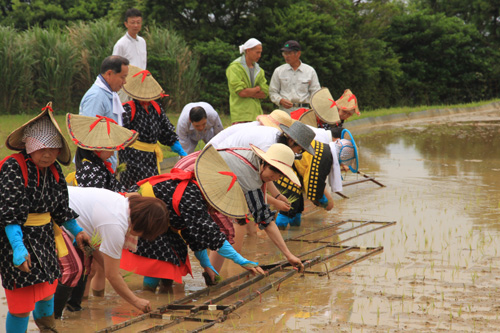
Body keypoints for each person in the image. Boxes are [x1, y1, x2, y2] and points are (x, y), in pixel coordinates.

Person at [120, 145, 265, 289]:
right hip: (142, 217)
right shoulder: (191, 196)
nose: (215, 211)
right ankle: (148, 296)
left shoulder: (196, 195)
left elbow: (194, 235)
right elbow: (212, 235)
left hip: (162, 222)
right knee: (161, 260)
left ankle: (164, 295)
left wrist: (206, 265)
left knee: (176, 256)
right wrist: (242, 261)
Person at [0, 103, 90, 333]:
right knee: (20, 303)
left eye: (53, 148)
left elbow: (61, 209)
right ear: (29, 146)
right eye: (41, 148)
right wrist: (19, 248)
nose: (47, 154)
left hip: (45, 238)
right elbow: (9, 213)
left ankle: (47, 329)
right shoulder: (13, 167)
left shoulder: (55, 171)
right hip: (15, 239)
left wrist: (78, 231)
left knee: (47, 292)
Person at [53, 186, 170, 317]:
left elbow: (91, 248)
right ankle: (53, 318)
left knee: (85, 263)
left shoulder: (123, 204)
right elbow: (112, 276)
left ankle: (73, 311)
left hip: (64, 205)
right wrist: (136, 301)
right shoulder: (116, 225)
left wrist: (111, 269)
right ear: (143, 225)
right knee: (73, 269)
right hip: (54, 211)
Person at [119, 65, 187, 189]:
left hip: (151, 158)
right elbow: (119, 134)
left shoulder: (156, 108)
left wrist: (178, 148)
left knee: (153, 187)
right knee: (136, 190)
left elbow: (166, 131)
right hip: (132, 159)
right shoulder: (127, 109)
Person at [275, 129, 359, 229]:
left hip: (293, 170)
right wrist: (321, 200)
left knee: (298, 207)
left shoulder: (325, 149)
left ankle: (294, 232)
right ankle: (280, 234)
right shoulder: (326, 157)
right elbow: (313, 182)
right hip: (286, 170)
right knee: (289, 206)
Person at [79, 55, 130, 170]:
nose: (125, 82)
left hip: (106, 163)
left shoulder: (110, 94)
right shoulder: (96, 97)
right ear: (109, 74)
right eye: (123, 77)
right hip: (94, 167)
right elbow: (89, 135)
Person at [65, 113, 138, 192]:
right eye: (111, 149)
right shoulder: (90, 170)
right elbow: (100, 200)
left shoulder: (96, 166)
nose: (113, 153)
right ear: (98, 148)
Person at [269, 40, 321, 114]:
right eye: (284, 53)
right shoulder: (278, 71)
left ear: (298, 53)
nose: (286, 56)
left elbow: (316, 94)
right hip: (284, 112)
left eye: (289, 53)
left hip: (304, 112)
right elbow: (272, 92)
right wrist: (280, 100)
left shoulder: (310, 71)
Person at [226, 38, 269, 124]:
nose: (260, 55)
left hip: (257, 116)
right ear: (248, 51)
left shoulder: (259, 70)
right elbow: (242, 92)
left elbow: (265, 93)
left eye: (260, 52)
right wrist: (257, 89)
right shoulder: (234, 68)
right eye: (257, 52)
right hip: (240, 116)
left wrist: (249, 91)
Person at [292, 88, 360, 138]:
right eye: (344, 111)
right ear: (338, 108)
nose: (345, 115)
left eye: (349, 114)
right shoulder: (305, 115)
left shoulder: (339, 122)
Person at [112, 8, 147, 103]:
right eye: (132, 22)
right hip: (125, 86)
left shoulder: (142, 42)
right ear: (126, 24)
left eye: (138, 22)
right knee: (124, 112)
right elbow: (114, 66)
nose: (136, 25)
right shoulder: (121, 44)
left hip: (140, 85)